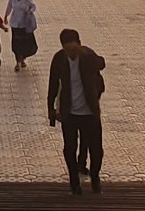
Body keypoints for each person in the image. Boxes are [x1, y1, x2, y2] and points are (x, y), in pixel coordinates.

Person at [47, 28, 106, 195]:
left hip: (90, 112)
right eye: (67, 49)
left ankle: (95, 177)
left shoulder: (87, 56)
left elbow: (102, 63)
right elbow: (53, 84)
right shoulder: (59, 59)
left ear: (79, 45)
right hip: (69, 113)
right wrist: (51, 108)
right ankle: (74, 182)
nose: (70, 53)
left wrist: (86, 53)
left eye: (73, 49)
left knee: (97, 150)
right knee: (69, 148)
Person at [4, 0, 37, 71]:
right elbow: (9, 8)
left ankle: (22, 58)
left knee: (24, 43)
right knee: (16, 43)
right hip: (15, 24)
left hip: (24, 24)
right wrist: (6, 16)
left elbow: (33, 6)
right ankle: (18, 61)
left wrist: (29, 12)